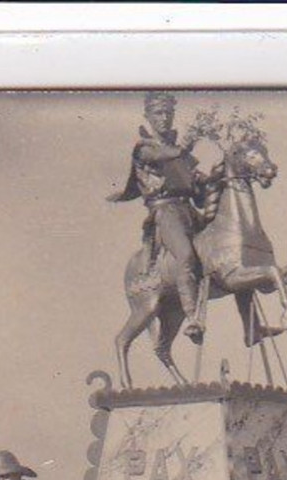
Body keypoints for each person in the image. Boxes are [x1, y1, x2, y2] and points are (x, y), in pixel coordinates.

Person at [110, 91, 208, 340]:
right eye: (158, 113)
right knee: (185, 255)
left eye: (168, 113)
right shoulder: (144, 148)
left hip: (190, 212)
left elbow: (198, 184)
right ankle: (193, 317)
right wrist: (185, 146)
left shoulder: (180, 153)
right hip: (166, 213)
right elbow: (163, 156)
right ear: (148, 116)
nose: (164, 118)